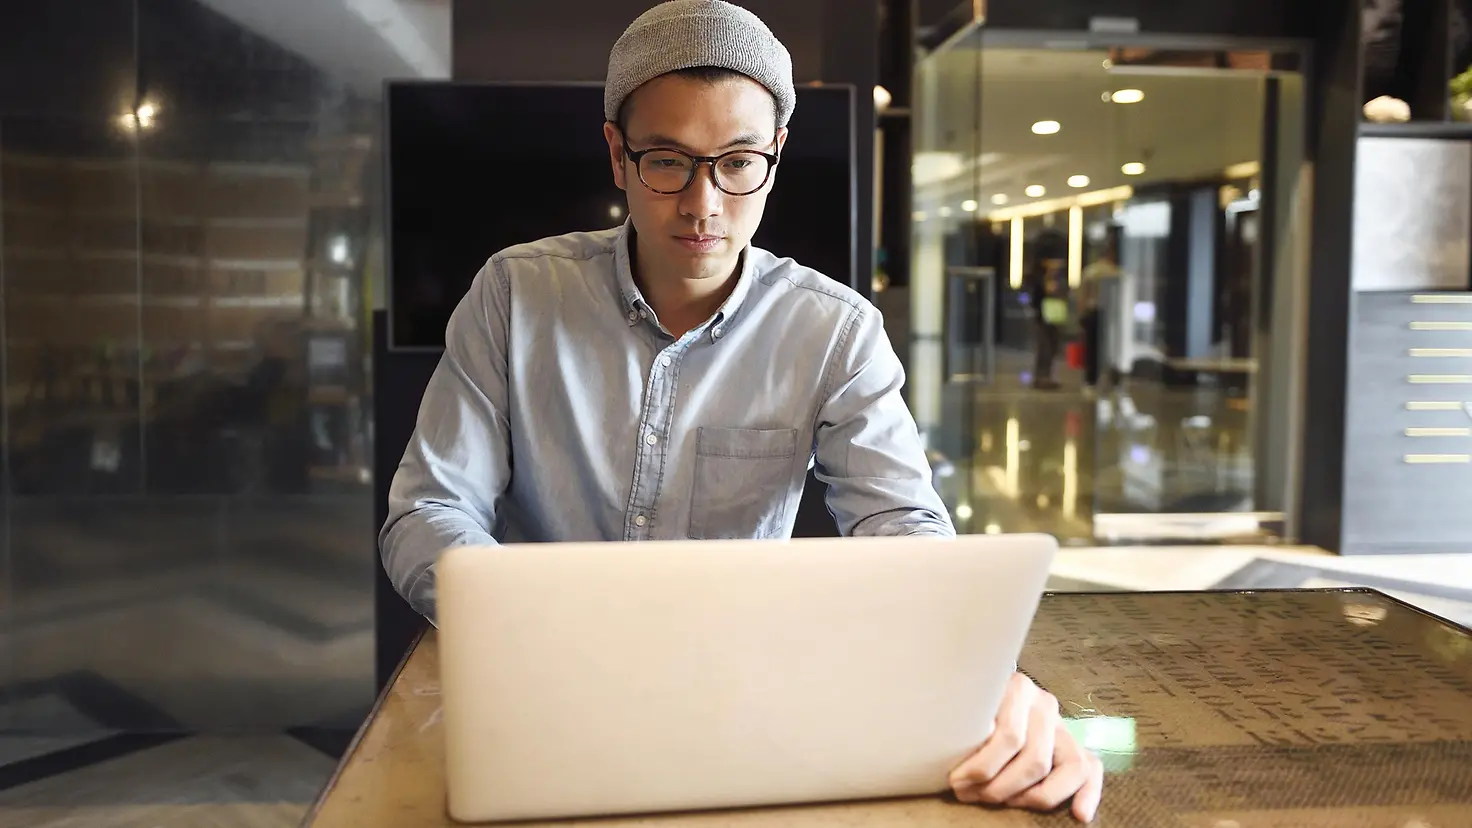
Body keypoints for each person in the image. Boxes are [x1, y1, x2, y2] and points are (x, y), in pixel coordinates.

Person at [380, 1, 1102, 821]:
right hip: (542, 692)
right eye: (667, 161)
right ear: (617, 153)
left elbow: (904, 530)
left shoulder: (834, 331)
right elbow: (428, 513)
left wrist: (983, 676)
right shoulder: (514, 295)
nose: (703, 205)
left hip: (744, 706)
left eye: (737, 163)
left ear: (776, 155)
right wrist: (533, 632)